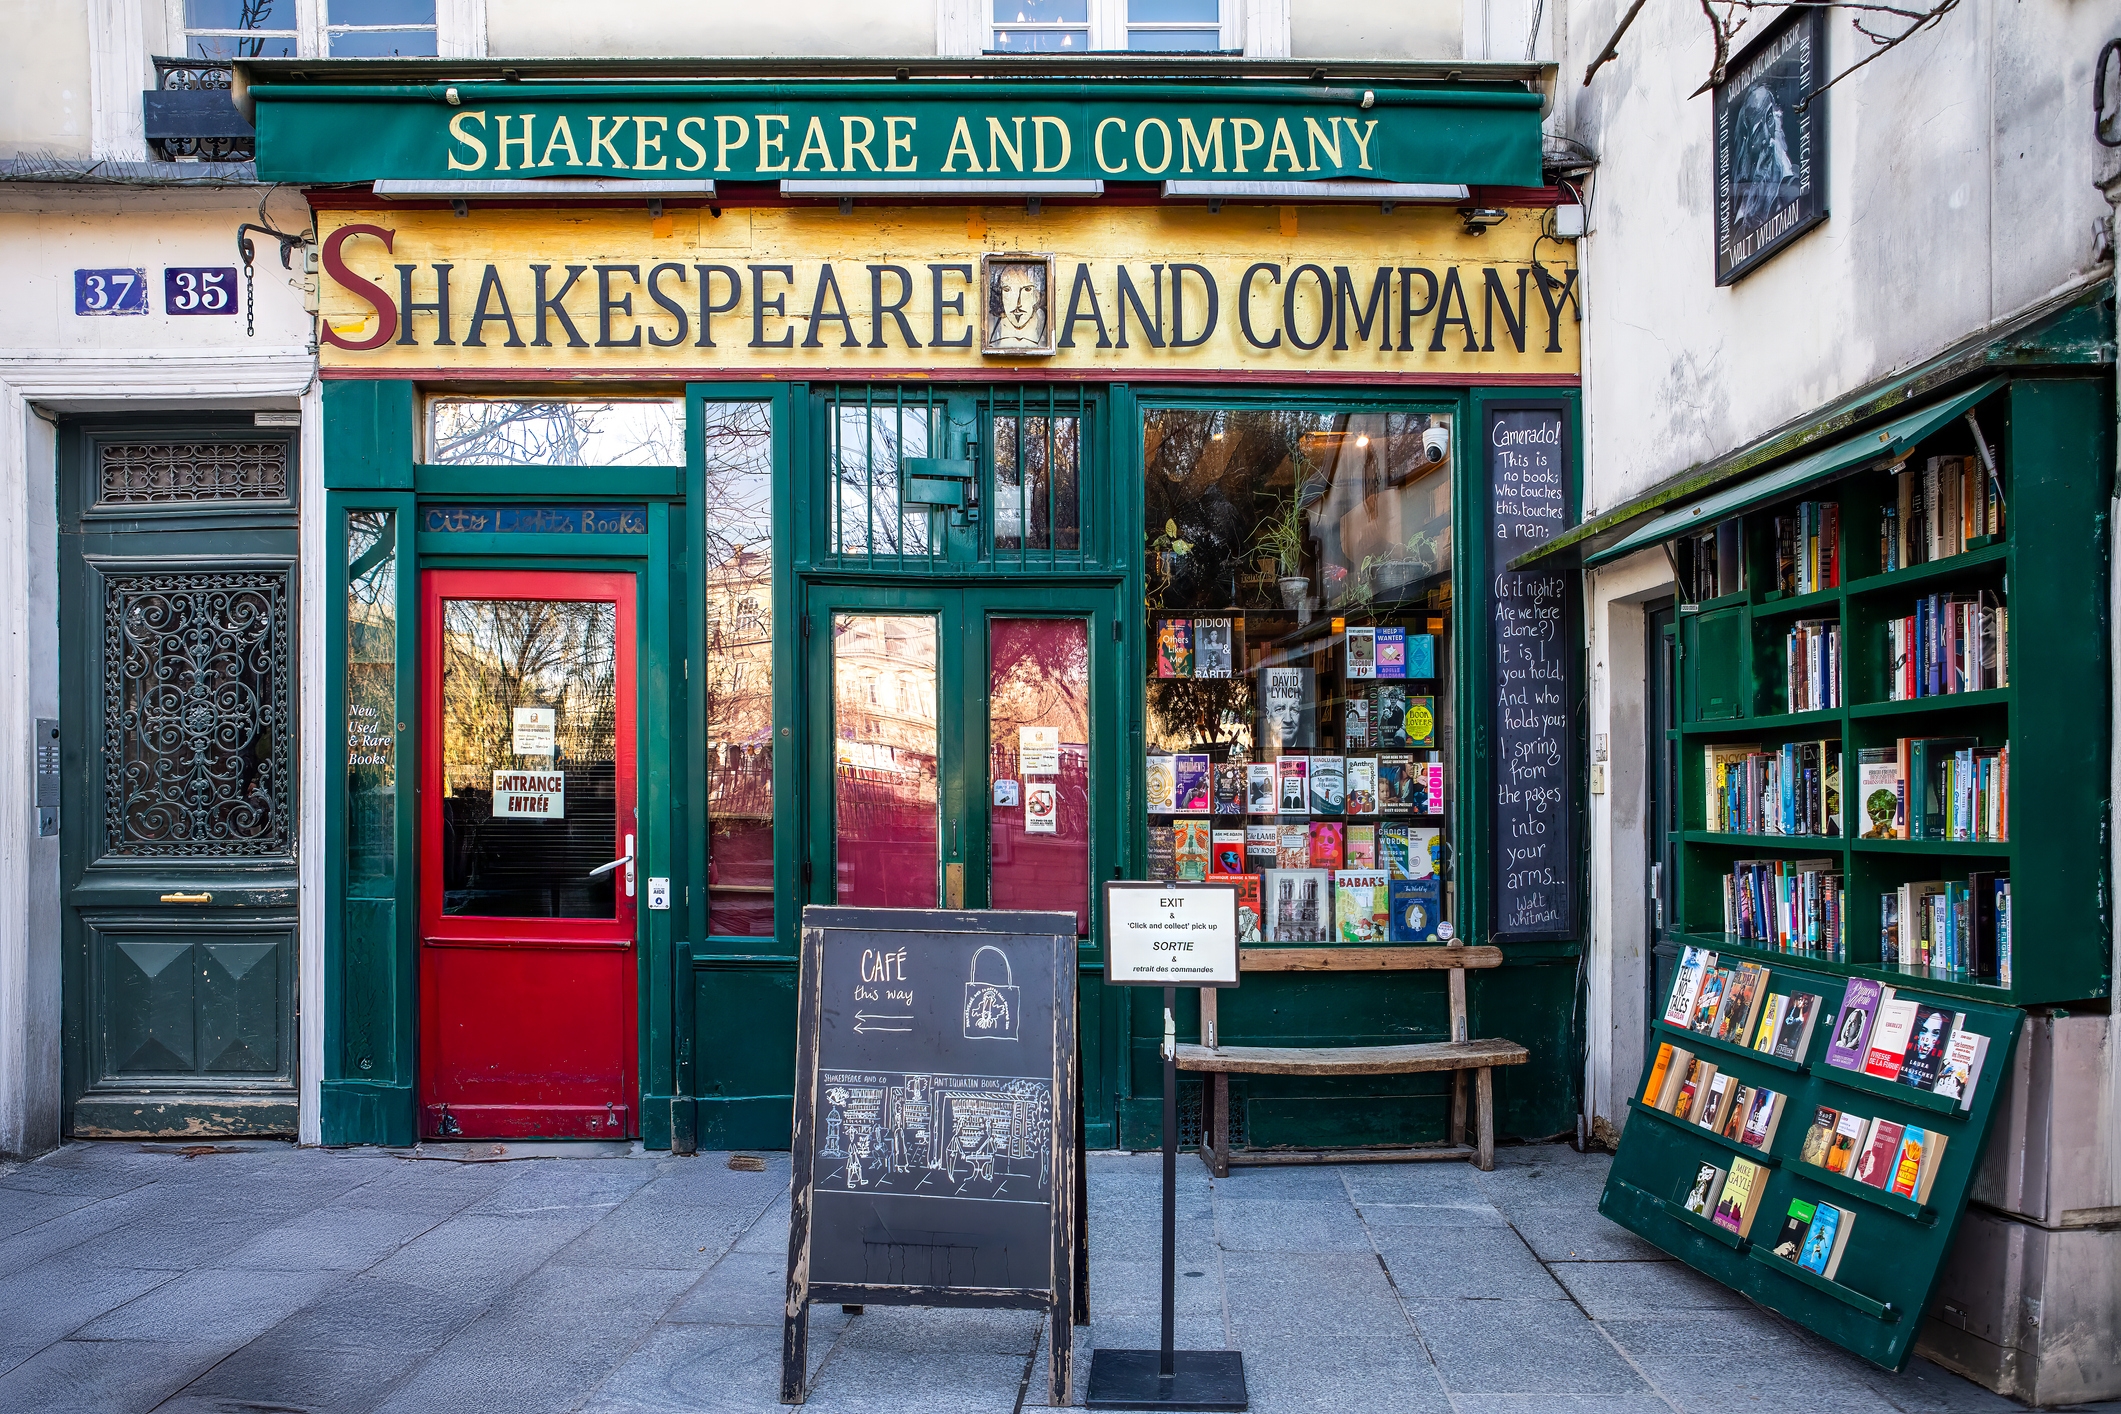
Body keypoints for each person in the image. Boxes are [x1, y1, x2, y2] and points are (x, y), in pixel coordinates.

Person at [986, 262, 1049, 352]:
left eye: (1027, 289)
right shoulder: (991, 327)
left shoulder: (1045, 325)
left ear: (1037, 295)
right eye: (1007, 290)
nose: (1017, 303)